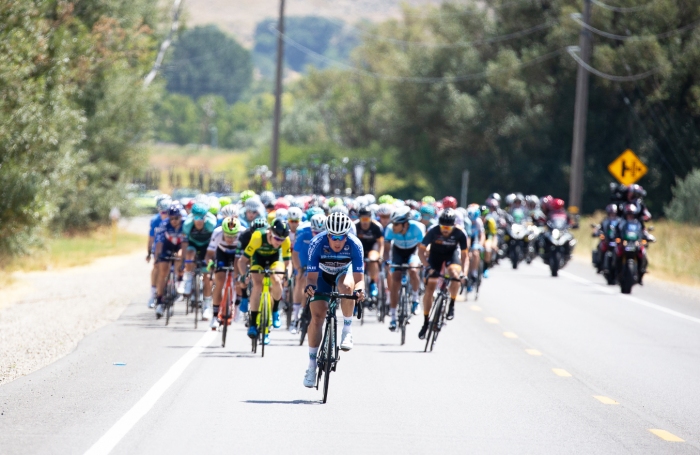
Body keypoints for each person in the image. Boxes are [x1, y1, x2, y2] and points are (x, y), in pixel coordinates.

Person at [303, 212, 365, 388]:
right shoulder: (317, 243)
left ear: (347, 235)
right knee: (317, 317)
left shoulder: (355, 244)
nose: (337, 241)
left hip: (343, 273)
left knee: (347, 288)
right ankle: (311, 366)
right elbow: (312, 278)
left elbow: (360, 278)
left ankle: (347, 330)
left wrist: (360, 290)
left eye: (342, 237)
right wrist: (310, 289)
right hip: (321, 276)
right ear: (327, 234)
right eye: (333, 237)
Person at [237, 218, 291, 345]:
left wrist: (287, 274)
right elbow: (242, 261)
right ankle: (253, 323)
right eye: (277, 239)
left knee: (277, 280)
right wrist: (244, 275)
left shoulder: (285, 239)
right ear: (269, 233)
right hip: (258, 259)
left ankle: (275, 310)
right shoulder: (257, 236)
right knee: (257, 285)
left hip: (275, 259)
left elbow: (288, 263)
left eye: (281, 240)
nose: (279, 242)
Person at [418, 208, 467, 337]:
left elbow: (464, 256)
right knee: (431, 285)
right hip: (435, 257)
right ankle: (426, 321)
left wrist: (464, 273)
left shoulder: (460, 233)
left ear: (454, 226)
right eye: (443, 227)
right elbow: (421, 251)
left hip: (452, 256)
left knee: (455, 275)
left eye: (448, 228)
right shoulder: (433, 231)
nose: (445, 230)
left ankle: (451, 303)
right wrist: (428, 267)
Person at [384, 206, 424, 330]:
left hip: (413, 252)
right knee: (395, 279)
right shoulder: (390, 230)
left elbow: (422, 249)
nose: (393, 226)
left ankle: (416, 298)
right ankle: (393, 318)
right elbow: (386, 250)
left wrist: (422, 263)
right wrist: (387, 262)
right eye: (393, 223)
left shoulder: (418, 228)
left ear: (405, 224)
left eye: (396, 224)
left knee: (413, 270)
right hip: (398, 252)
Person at [290, 214, 326, 333]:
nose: (317, 235)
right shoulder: (303, 232)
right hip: (304, 260)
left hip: (320, 261)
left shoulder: (330, 236)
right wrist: (299, 268)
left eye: (320, 232)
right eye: (315, 232)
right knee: (300, 280)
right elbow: (295, 253)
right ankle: (295, 317)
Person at [181, 203, 218, 320]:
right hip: (193, 244)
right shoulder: (187, 225)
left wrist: (212, 261)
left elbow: (215, 244)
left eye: (201, 218)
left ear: (205, 217)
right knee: (190, 253)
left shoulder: (211, 225)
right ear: (192, 217)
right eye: (196, 217)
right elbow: (184, 243)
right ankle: (187, 280)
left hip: (207, 247)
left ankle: (207, 306)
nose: (198, 221)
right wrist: (184, 260)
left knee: (207, 278)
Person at [205, 217, 242, 330]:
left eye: (233, 236)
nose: (230, 239)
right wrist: (210, 264)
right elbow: (209, 254)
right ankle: (215, 316)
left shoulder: (243, 233)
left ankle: (237, 307)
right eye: (227, 236)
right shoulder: (217, 233)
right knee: (219, 280)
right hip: (222, 254)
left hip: (238, 253)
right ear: (223, 231)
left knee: (239, 278)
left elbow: (246, 257)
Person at [153, 203, 187, 318]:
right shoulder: (165, 224)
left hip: (179, 245)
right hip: (167, 245)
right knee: (163, 271)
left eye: (176, 218)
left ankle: (179, 280)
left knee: (179, 256)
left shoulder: (185, 225)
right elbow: (159, 242)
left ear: (180, 217)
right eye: (171, 218)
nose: (173, 221)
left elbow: (184, 245)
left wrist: (183, 261)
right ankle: (160, 299)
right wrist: (157, 257)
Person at [354, 206, 385, 299]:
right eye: (362, 219)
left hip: (372, 248)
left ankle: (372, 283)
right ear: (359, 218)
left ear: (370, 218)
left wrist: (381, 256)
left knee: (373, 259)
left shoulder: (376, 226)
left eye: (367, 219)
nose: (364, 222)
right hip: (359, 249)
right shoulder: (354, 226)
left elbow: (381, 244)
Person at [147, 195, 171, 308]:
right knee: (156, 267)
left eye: (167, 212)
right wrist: (149, 252)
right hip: (158, 246)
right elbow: (151, 237)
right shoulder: (155, 220)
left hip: (171, 245)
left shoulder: (174, 218)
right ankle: (153, 293)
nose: (164, 214)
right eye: (162, 212)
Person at [466, 204, 485, 291]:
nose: (472, 222)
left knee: (476, 254)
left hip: (475, 239)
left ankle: (473, 273)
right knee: (466, 254)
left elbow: (482, 235)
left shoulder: (478, 222)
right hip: (466, 238)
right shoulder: (465, 221)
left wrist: (480, 245)